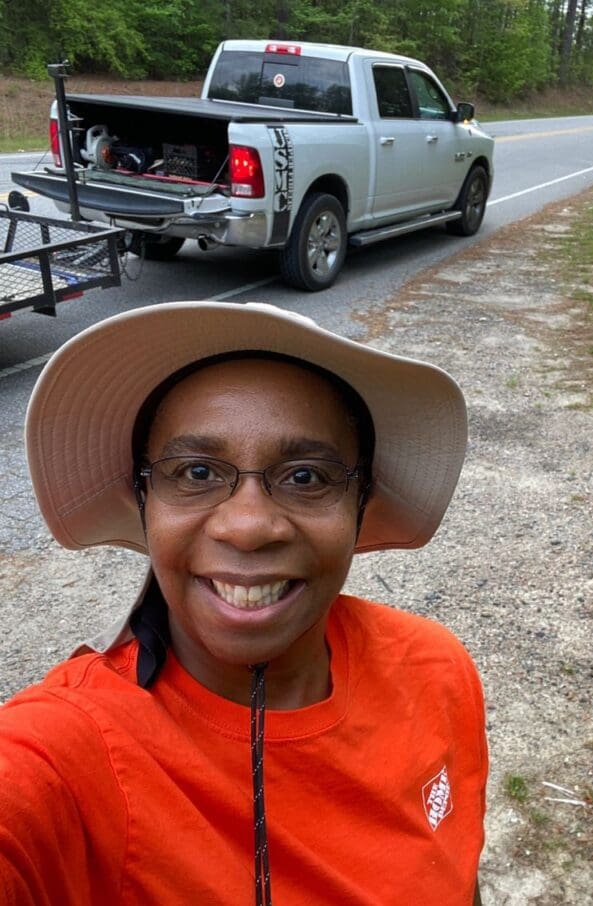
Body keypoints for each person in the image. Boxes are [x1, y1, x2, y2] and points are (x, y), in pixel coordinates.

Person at [0, 301, 488, 905]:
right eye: (197, 471)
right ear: (142, 498)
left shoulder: (435, 668)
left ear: (361, 503)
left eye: (306, 476)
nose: (249, 526)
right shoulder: (66, 754)